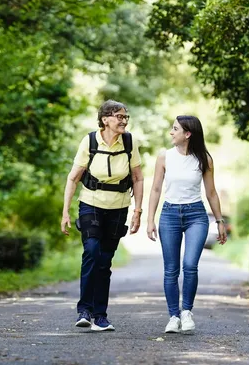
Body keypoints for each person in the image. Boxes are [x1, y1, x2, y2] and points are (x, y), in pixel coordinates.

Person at [61, 99, 144, 331]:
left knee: (105, 261)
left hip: (118, 207)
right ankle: (84, 310)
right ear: (105, 119)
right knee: (92, 251)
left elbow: (138, 178)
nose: (124, 121)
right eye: (119, 116)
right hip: (91, 203)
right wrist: (65, 211)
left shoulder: (130, 142)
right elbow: (73, 177)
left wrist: (138, 211)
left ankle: (100, 316)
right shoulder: (89, 141)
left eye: (125, 117)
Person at [146, 115, 227, 334]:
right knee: (171, 270)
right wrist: (150, 219)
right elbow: (155, 189)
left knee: (190, 265)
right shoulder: (164, 157)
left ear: (187, 134)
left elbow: (211, 192)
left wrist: (219, 221)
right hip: (170, 215)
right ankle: (173, 316)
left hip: (196, 216)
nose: (171, 133)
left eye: (175, 129)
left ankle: (187, 312)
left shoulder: (204, 159)